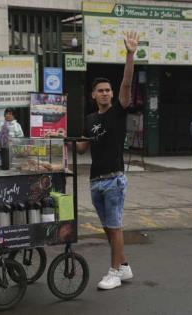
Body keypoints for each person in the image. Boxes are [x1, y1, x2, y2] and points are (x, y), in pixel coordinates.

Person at [76, 31, 138, 290]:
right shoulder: (90, 119)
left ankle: (114, 272)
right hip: (95, 181)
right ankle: (123, 266)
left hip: (114, 179)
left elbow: (126, 83)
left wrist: (130, 54)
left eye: (107, 90)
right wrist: (60, 140)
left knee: (115, 226)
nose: (105, 93)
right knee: (107, 228)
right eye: (100, 91)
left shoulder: (118, 112)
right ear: (93, 95)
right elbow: (81, 148)